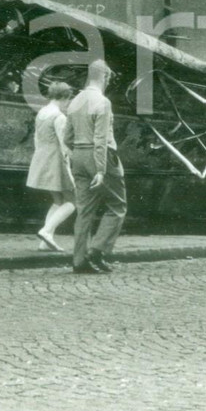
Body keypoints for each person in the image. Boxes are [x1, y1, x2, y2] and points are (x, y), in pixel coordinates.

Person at [63, 59, 127, 274]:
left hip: (78, 156)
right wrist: (100, 170)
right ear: (105, 77)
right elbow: (101, 139)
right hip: (101, 156)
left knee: (84, 211)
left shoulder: (75, 101)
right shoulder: (103, 102)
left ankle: (79, 260)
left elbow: (67, 137)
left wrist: (79, 152)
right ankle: (97, 251)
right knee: (117, 206)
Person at [25, 81, 76, 252]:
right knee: (72, 201)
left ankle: (45, 241)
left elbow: (36, 139)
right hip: (56, 159)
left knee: (58, 200)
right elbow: (65, 144)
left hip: (42, 156)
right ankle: (46, 232)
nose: (68, 103)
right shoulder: (59, 117)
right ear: (63, 97)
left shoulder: (42, 112)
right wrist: (73, 162)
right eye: (68, 99)